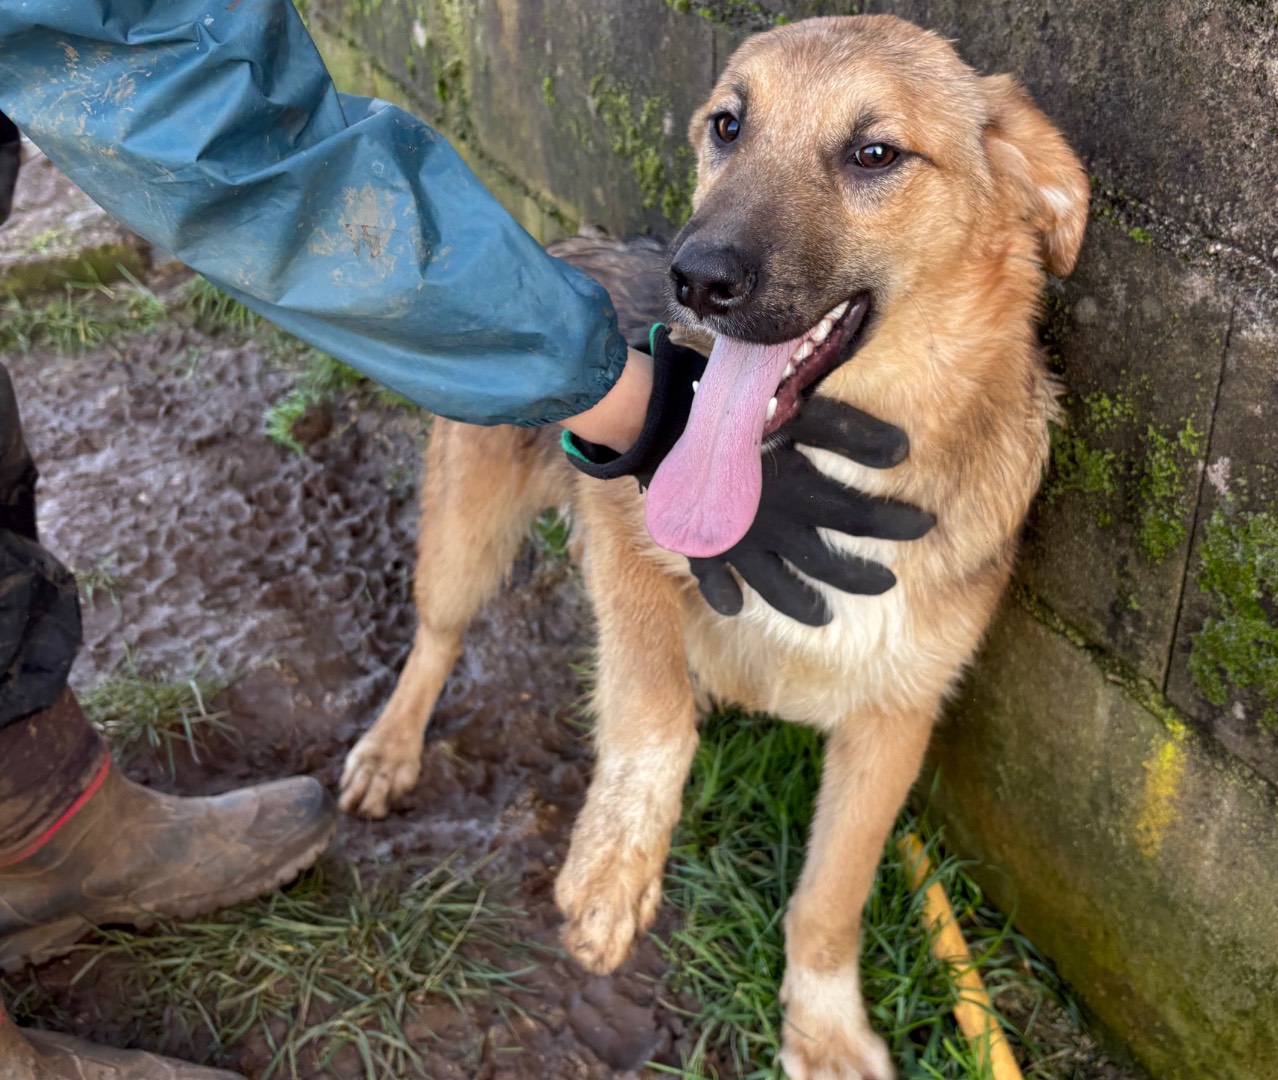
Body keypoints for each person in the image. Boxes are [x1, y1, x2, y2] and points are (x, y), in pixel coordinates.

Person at [0, 2, 932, 1076]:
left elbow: (194, 92)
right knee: (450, 589)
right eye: (726, 128)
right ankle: (418, 685)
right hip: (569, 376)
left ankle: (39, 828)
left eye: (870, 154)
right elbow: (188, 103)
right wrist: (625, 409)